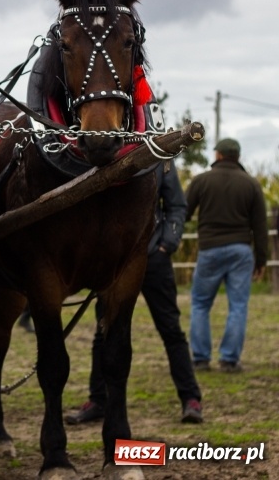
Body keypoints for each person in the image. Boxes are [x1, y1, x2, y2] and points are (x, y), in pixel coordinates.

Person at [65, 159, 204, 425]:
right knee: (103, 331)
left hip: (153, 258)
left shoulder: (159, 159)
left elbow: (176, 205)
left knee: (171, 330)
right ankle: (98, 400)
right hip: (114, 262)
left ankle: (190, 399)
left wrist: (167, 245)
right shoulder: (105, 155)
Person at [185, 138, 268, 373]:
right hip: (241, 251)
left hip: (209, 249)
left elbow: (183, 212)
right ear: (237, 157)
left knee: (200, 304)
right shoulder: (251, 184)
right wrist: (260, 260)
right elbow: (260, 227)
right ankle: (229, 360)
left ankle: (200, 359)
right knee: (238, 306)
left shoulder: (201, 180)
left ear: (219, 155)